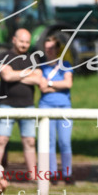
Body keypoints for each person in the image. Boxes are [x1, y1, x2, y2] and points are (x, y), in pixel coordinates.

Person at [0, 27, 43, 181]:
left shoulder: (33, 59)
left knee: (29, 141)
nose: (24, 45)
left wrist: (16, 74)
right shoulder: (4, 56)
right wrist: (28, 73)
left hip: (28, 105)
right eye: (22, 41)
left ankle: (33, 175)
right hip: (7, 104)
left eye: (27, 42)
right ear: (14, 40)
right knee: (1, 139)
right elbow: (6, 76)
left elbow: (39, 79)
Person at [38, 34, 75, 184]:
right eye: (47, 48)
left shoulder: (66, 65)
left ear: (57, 49)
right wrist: (55, 85)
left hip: (64, 107)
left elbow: (68, 84)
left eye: (52, 48)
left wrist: (50, 84)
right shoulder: (41, 67)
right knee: (49, 141)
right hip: (46, 106)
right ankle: (52, 173)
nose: (49, 51)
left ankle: (67, 173)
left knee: (65, 141)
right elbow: (42, 87)